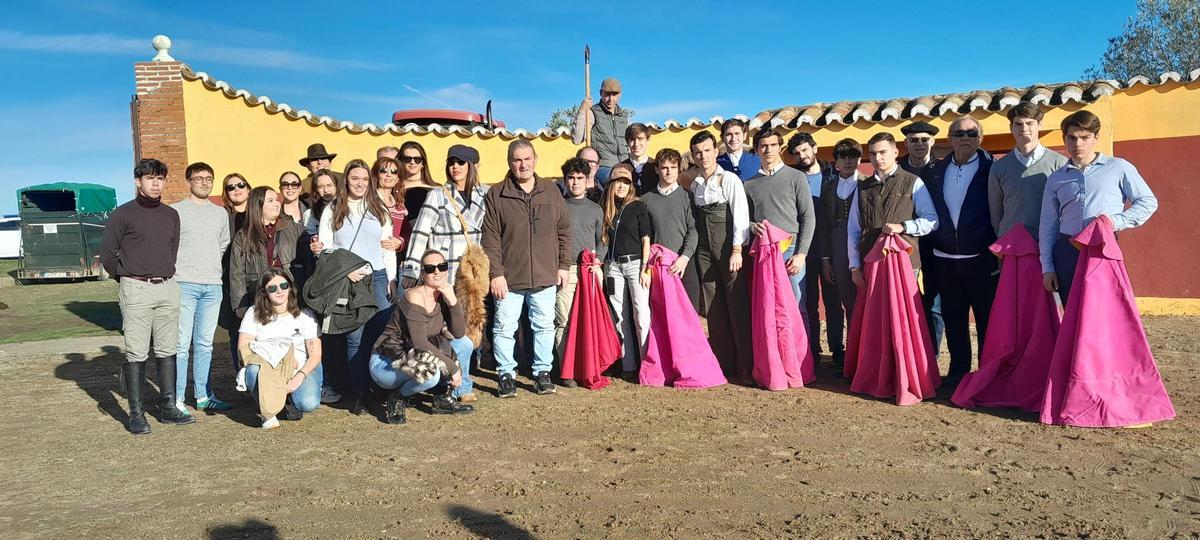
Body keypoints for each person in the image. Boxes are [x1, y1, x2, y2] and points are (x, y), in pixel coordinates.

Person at [99, 158, 194, 434]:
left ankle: (167, 408)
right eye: (150, 178)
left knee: (168, 349)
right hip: (136, 288)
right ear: (138, 181)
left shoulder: (170, 215)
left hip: (167, 286)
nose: (156, 183)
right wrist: (127, 276)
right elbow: (108, 255)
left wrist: (162, 273)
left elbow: (171, 250)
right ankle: (136, 414)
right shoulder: (122, 214)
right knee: (137, 351)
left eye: (160, 178)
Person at [482, 140, 573, 397]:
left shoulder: (551, 191)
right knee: (503, 328)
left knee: (543, 326)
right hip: (509, 278)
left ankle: (542, 373)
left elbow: (564, 230)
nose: (523, 165)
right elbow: (490, 238)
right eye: (517, 160)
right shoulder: (497, 194)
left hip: (545, 274)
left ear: (535, 159)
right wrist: (496, 273)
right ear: (509, 162)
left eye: (527, 159)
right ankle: (506, 375)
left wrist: (563, 265)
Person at [1040, 110, 1158, 303]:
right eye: (1072, 137)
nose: (1078, 144)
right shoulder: (1056, 178)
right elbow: (1048, 225)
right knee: (1072, 312)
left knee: (1101, 312)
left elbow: (1147, 201)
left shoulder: (1118, 167)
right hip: (1066, 250)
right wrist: (1048, 268)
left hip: (1102, 248)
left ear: (1096, 137)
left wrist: (1114, 221)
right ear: (1064, 138)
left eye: (1085, 137)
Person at [400, 144, 488, 402]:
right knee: (448, 331)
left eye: (461, 162)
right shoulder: (438, 195)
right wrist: (411, 268)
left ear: (473, 166)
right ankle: (460, 386)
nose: (455, 167)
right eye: (451, 162)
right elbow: (421, 233)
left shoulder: (484, 195)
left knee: (471, 327)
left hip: (471, 274)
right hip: (443, 272)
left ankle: (458, 381)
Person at [316, 159, 397, 413]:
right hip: (350, 281)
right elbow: (325, 249)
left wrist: (392, 279)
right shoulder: (333, 209)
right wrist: (345, 271)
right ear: (346, 181)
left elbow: (387, 248)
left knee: (380, 334)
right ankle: (359, 391)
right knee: (354, 338)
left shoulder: (378, 208)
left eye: (364, 179)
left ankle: (378, 388)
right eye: (355, 178)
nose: (360, 183)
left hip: (379, 277)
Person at [925, 117, 997, 388]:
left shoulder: (992, 169)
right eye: (958, 133)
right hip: (945, 259)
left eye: (971, 133)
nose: (964, 137)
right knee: (954, 318)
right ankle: (958, 372)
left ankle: (987, 374)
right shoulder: (935, 171)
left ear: (980, 137)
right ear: (950, 138)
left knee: (985, 320)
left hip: (981, 257)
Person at [371, 250, 475, 424]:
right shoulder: (414, 297)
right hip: (387, 360)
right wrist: (453, 368)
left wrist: (453, 302)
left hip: (416, 355)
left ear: (447, 270)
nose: (437, 272)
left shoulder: (444, 294)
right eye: (430, 268)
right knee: (430, 374)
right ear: (422, 273)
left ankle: (442, 397)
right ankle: (397, 398)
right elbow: (420, 343)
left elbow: (458, 333)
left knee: (464, 344)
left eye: (442, 267)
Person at [688, 131, 753, 380]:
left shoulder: (730, 180)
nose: (703, 156)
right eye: (698, 152)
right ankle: (722, 365)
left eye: (707, 150)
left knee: (737, 306)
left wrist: (738, 249)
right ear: (693, 156)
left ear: (716, 151)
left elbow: (741, 217)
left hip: (728, 249)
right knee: (714, 308)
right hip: (704, 251)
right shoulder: (694, 185)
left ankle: (745, 367)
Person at [170, 162, 232, 417]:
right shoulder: (175, 212)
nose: (205, 182)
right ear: (189, 181)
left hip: (212, 285)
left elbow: (223, 244)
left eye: (209, 178)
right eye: (199, 178)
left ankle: (203, 396)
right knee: (182, 344)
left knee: (205, 344)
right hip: (184, 283)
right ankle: (177, 397)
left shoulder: (220, 214)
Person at [744, 129, 817, 321]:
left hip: (791, 251)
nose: (768, 150)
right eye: (763, 146)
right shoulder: (749, 185)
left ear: (780, 148)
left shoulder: (796, 177)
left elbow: (808, 217)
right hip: (764, 253)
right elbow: (745, 219)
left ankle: (803, 352)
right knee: (770, 306)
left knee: (797, 304)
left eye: (773, 145)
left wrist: (801, 254)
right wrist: (752, 226)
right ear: (757, 150)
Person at [848, 132, 938, 287]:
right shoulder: (862, 187)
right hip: (871, 261)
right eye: (873, 153)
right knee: (877, 310)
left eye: (883, 152)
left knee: (902, 310)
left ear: (895, 152)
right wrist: (854, 266)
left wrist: (903, 226)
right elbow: (853, 229)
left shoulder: (913, 182)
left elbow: (932, 220)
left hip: (905, 261)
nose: (877, 158)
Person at [236, 268, 323, 429]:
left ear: (290, 287)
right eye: (272, 288)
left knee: (308, 403)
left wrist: (300, 376)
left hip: (299, 368)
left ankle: (287, 400)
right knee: (253, 370)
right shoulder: (253, 313)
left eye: (284, 285)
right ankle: (269, 410)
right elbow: (243, 348)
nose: (279, 291)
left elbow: (316, 354)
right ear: (264, 292)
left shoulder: (305, 314)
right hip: (268, 367)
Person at [788, 132, 839, 361]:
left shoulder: (833, 175)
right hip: (802, 250)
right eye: (797, 153)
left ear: (815, 148)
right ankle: (813, 352)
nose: (802, 155)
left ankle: (838, 351)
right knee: (806, 303)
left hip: (831, 249)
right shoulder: (792, 178)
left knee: (833, 303)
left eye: (805, 150)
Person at [554, 157, 605, 386]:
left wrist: (598, 261)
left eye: (579, 178)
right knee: (563, 320)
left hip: (588, 271)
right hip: (565, 270)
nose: (575, 183)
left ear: (587, 181)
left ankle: (585, 366)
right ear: (565, 180)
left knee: (587, 321)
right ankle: (566, 370)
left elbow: (602, 241)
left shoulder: (596, 210)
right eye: (571, 178)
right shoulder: (557, 206)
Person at [816, 138, 865, 370]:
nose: (848, 161)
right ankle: (847, 354)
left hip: (864, 247)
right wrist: (825, 259)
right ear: (836, 161)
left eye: (852, 156)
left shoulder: (868, 183)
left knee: (863, 302)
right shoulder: (828, 187)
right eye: (843, 156)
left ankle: (863, 354)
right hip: (837, 246)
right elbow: (824, 225)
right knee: (845, 301)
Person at [600, 164, 652, 381]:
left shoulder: (638, 206)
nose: (621, 186)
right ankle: (628, 364)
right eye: (617, 182)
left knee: (641, 314)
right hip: (613, 266)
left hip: (635, 264)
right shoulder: (606, 209)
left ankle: (646, 364)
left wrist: (645, 267)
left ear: (630, 185)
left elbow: (646, 238)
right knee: (620, 317)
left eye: (625, 182)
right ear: (611, 184)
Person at [899, 121, 945, 358]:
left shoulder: (943, 169)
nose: (919, 144)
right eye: (914, 140)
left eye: (924, 139)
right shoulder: (897, 169)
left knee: (936, 304)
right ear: (906, 143)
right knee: (905, 301)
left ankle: (933, 357)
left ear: (933, 141)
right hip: (905, 245)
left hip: (936, 243)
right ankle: (910, 356)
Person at [988, 102, 1069, 237]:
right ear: (1011, 127)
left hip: (1048, 244)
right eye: (1018, 124)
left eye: (1029, 123)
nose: (1024, 128)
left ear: (1040, 125)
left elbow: (1067, 209)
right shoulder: (999, 167)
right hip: (1012, 247)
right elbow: (996, 213)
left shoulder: (1059, 163)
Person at [301, 168, 343, 404]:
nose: (326, 190)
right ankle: (327, 383)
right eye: (321, 187)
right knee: (325, 333)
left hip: (344, 273)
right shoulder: (311, 214)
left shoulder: (346, 207)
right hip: (322, 276)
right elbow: (312, 241)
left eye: (330, 185)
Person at [229, 186, 303, 321]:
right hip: (259, 297)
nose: (276, 204)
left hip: (289, 295)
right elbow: (236, 273)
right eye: (270, 200)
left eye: (276, 199)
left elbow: (305, 262)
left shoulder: (293, 228)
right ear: (258, 205)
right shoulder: (243, 236)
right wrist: (241, 305)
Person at [640, 148, 700, 311]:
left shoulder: (689, 197)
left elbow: (693, 229)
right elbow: (645, 237)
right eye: (665, 167)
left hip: (685, 264)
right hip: (658, 266)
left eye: (673, 167)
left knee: (689, 314)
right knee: (662, 315)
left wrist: (684, 257)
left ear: (679, 169)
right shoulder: (645, 200)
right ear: (657, 169)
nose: (669, 172)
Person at [218, 173, 251, 365]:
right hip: (231, 280)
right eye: (231, 187)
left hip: (258, 279)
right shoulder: (222, 216)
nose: (236, 189)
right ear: (226, 192)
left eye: (241, 185)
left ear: (248, 188)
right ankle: (241, 376)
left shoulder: (260, 214)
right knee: (236, 331)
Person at [572, 77, 632, 181]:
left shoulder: (624, 117)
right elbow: (576, 139)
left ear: (620, 94)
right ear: (601, 93)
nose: (611, 99)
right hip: (604, 167)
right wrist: (582, 110)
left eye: (614, 94)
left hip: (625, 165)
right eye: (607, 94)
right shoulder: (592, 112)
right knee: (617, 181)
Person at [397, 141, 440, 249]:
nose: (412, 162)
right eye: (407, 159)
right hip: (401, 245)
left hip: (432, 246)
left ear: (423, 163)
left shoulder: (438, 189)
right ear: (401, 161)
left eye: (417, 159)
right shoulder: (393, 190)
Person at [373, 157, 408, 269]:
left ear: (397, 179)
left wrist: (399, 242)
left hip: (395, 261)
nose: (389, 175)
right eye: (383, 171)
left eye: (393, 172)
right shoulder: (369, 201)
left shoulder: (400, 206)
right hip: (373, 259)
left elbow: (408, 233)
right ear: (376, 175)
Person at [619, 123, 659, 195]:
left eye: (640, 139)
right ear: (627, 142)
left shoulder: (656, 166)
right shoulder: (619, 168)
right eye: (632, 139)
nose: (636, 144)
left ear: (647, 140)